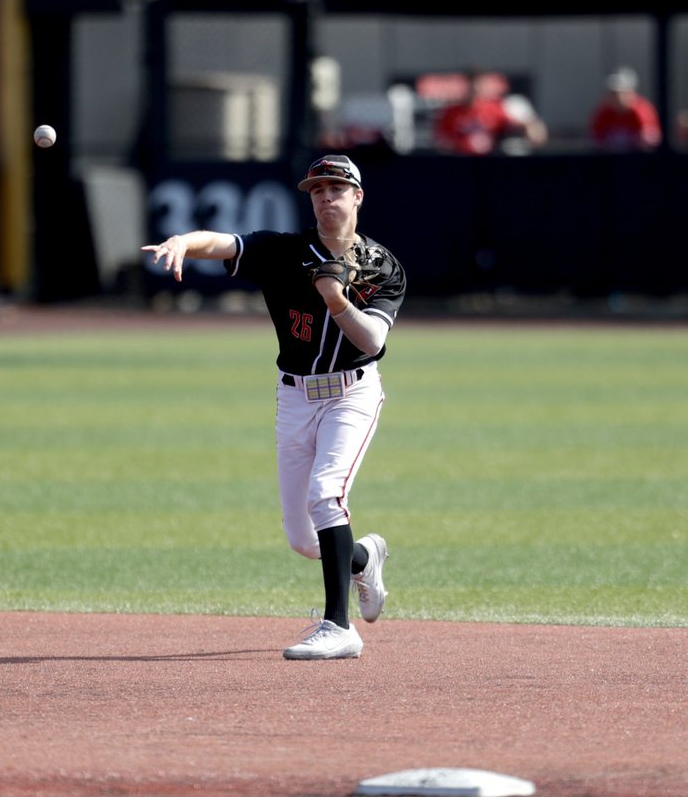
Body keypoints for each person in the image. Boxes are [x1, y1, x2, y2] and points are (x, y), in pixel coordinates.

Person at [141, 155, 406, 661]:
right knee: (304, 539)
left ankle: (339, 627)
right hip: (294, 396)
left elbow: (371, 340)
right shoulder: (284, 251)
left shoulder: (382, 265)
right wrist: (182, 242)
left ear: (357, 197)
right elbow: (222, 242)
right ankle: (363, 557)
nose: (326, 197)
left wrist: (335, 299)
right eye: (317, 190)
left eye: (336, 188)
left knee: (327, 495)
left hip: (351, 393)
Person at [434, 69, 547, 155]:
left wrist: (530, 127)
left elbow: (519, 126)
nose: (473, 89)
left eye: (477, 84)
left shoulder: (494, 108)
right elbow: (441, 140)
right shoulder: (451, 112)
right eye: (470, 84)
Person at [588, 66, 662, 151]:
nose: (615, 97)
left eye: (619, 93)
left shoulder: (643, 112)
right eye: (612, 93)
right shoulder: (604, 112)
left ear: (631, 93)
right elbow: (596, 142)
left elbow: (649, 144)